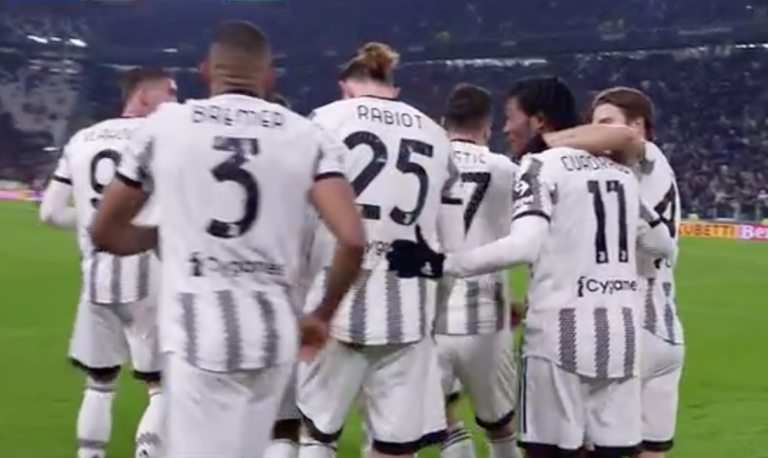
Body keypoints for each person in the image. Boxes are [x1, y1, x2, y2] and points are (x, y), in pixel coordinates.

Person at [89, 21, 365, 458]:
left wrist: (165, 233)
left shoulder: (166, 126)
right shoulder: (306, 135)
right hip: (272, 333)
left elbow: (104, 230)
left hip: (196, 330)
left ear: (205, 70)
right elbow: (352, 239)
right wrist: (322, 315)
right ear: (269, 75)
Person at [386, 77, 676, 458]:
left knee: (547, 451)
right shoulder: (618, 173)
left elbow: (524, 245)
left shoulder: (540, 164)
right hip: (621, 334)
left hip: (559, 337)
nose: (506, 127)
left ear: (537, 120)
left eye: (511, 116)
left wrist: (444, 263)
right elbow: (663, 245)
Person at [297, 42, 464, 458]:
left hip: (334, 297)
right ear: (394, 87)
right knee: (395, 446)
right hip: (408, 307)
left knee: (316, 432)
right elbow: (451, 248)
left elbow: (299, 217)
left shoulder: (323, 120)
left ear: (345, 87)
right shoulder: (435, 133)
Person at [39, 66, 176, 458]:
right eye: (169, 93)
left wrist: (92, 225)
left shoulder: (81, 139)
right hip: (149, 274)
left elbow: (50, 213)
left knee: (99, 382)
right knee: (162, 386)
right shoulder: (164, 138)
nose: (176, 101)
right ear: (143, 96)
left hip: (97, 277)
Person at [591, 87, 683, 458]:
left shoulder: (644, 158)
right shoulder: (648, 171)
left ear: (637, 126)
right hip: (664, 330)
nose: (596, 132)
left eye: (606, 122)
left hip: (630, 332)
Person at [433, 83, 522, 458]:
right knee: (500, 426)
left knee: (434, 418)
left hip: (428, 312)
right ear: (487, 126)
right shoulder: (506, 170)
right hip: (486, 310)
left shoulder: (426, 161)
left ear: (444, 122)